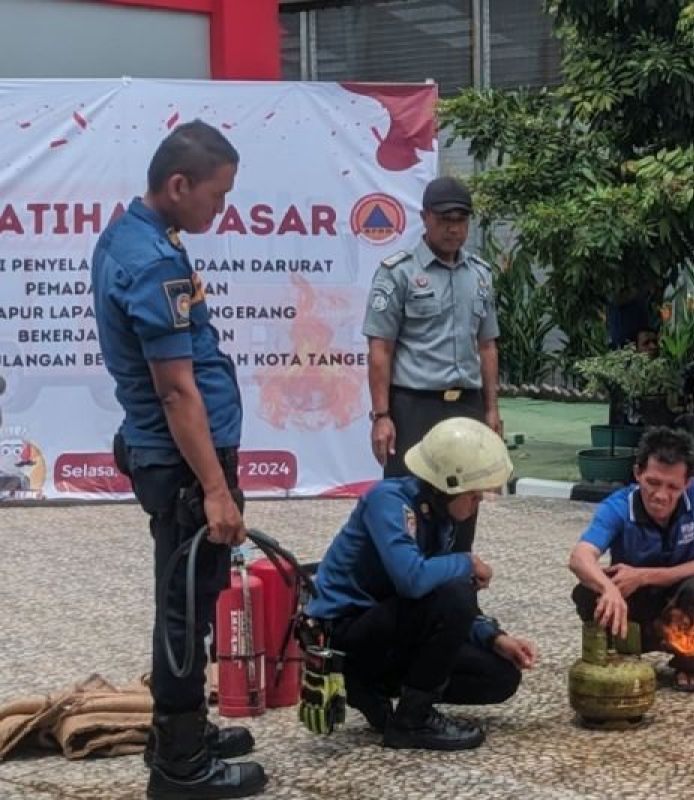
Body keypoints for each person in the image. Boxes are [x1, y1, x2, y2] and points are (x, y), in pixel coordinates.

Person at [91, 121, 266, 799]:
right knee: (184, 609)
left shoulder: (133, 236)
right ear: (177, 185)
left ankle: (183, 728)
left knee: (189, 597)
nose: (220, 211)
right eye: (216, 197)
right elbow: (174, 388)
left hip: (174, 457)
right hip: (186, 463)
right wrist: (217, 490)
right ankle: (181, 767)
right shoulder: (155, 261)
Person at [305, 418, 536, 750]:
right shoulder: (388, 501)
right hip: (348, 632)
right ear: (447, 486)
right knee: (457, 590)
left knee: (500, 676)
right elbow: (413, 580)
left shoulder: (440, 519)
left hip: (393, 627)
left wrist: (494, 637)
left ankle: (381, 691)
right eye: (473, 495)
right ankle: (412, 719)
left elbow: (437, 600)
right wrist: (466, 562)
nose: (478, 503)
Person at [364, 176, 501, 553]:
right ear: (425, 218)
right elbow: (381, 349)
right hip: (414, 407)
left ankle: (459, 587)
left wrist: (491, 410)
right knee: (410, 503)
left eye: (461, 219)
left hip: (466, 405)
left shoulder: (480, 275)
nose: (454, 228)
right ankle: (408, 593)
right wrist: (382, 415)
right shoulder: (398, 273)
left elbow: (487, 345)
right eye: (444, 219)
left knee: (466, 499)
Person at [567, 428, 694, 692]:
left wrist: (642, 575)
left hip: (679, 607)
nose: (661, 495)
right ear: (637, 473)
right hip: (630, 610)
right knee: (587, 591)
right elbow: (579, 557)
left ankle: (691, 661)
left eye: (673, 486)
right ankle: (617, 651)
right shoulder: (618, 506)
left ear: (687, 483)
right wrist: (608, 589)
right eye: (652, 482)